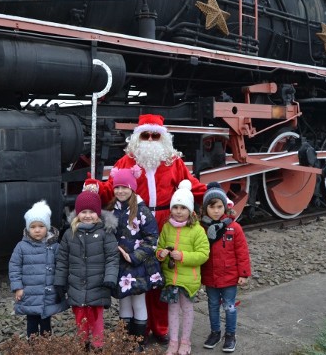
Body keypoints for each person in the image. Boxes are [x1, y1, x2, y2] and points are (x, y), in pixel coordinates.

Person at [89, 113, 207, 343]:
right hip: (135, 227)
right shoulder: (127, 162)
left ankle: (160, 327)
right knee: (142, 278)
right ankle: (137, 331)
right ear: (137, 137)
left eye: (155, 135)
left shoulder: (173, 161)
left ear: (162, 138)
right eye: (146, 135)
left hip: (165, 223)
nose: (151, 140)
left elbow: (192, 186)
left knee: (162, 276)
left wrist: (216, 196)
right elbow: (111, 188)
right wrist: (94, 187)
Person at [54, 190, 120, 350]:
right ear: (77, 213)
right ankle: (82, 344)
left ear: (98, 213)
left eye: (92, 212)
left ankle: (98, 346)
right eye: (84, 211)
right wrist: (59, 282)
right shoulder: (69, 234)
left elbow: (112, 257)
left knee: (96, 319)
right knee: (80, 318)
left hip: (98, 285)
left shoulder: (106, 233)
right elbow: (62, 261)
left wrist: (110, 278)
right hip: (76, 285)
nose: (88, 215)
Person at [107, 166, 164, 350]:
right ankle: (126, 339)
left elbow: (152, 239)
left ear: (132, 188)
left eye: (124, 187)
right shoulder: (111, 209)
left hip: (138, 265)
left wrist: (134, 256)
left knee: (138, 302)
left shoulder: (142, 211)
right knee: (123, 302)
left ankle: (138, 342)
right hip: (119, 264)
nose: (120, 191)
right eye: (117, 187)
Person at [156, 180, 209, 355]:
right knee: (172, 310)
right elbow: (159, 247)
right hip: (171, 278)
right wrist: (161, 254)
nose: (179, 211)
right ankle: (173, 341)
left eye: (183, 208)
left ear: (190, 210)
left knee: (186, 309)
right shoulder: (166, 227)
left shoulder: (197, 230)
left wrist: (184, 257)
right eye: (175, 207)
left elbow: (203, 254)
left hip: (188, 279)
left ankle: (185, 342)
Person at [200, 182, 251, 353]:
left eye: (219, 207)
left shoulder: (234, 228)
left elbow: (242, 252)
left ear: (225, 207)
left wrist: (243, 273)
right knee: (212, 305)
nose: (216, 211)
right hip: (210, 275)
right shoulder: (202, 228)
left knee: (229, 306)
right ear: (205, 208)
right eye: (212, 207)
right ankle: (215, 332)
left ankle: (230, 334)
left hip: (229, 275)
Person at [8, 200, 68, 337]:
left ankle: (45, 346)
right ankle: (33, 346)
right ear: (28, 228)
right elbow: (14, 267)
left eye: (41, 226)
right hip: (30, 293)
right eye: (33, 226)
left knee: (46, 321)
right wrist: (18, 287)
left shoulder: (54, 246)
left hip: (48, 292)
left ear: (47, 227)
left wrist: (62, 286)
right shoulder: (21, 247)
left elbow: (62, 266)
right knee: (32, 322)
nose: (37, 230)